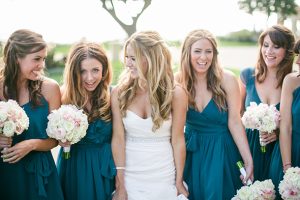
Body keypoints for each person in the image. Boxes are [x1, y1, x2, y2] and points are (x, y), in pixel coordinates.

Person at [176, 29, 253, 200]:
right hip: (191, 153)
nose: (203, 57)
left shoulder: (227, 79)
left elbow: (234, 121)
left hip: (222, 150)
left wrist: (248, 160)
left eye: (208, 51)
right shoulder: (177, 81)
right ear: (187, 52)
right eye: (197, 51)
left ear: (214, 54)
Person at [111, 30, 188, 200]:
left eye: (134, 58)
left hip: (163, 173)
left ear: (151, 58)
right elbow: (118, 138)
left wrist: (179, 180)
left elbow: (178, 140)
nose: (128, 63)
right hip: (130, 174)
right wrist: (120, 183)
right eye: (127, 57)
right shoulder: (119, 93)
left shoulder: (176, 93)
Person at [0, 29, 64, 199]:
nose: (42, 65)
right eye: (36, 59)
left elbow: (55, 139)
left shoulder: (50, 88)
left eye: (43, 59)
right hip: (5, 172)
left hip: (40, 174)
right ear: (16, 58)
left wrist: (31, 144)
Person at [56, 41, 116, 200]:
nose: (89, 78)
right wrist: (60, 139)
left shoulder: (113, 95)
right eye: (82, 71)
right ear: (73, 72)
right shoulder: (62, 96)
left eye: (95, 70)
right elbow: (49, 133)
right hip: (74, 166)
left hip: (106, 166)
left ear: (104, 69)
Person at [239, 25, 295, 188]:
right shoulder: (247, 75)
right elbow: (237, 114)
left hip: (278, 151)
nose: (269, 51)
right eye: (265, 45)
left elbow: (293, 124)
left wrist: (278, 133)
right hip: (248, 148)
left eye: (276, 47)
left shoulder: (291, 81)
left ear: (287, 51)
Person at [279, 39, 300, 178]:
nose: (297, 61)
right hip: (293, 153)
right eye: (297, 55)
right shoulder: (291, 81)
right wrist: (288, 168)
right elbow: (285, 126)